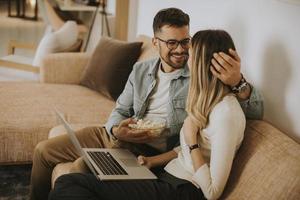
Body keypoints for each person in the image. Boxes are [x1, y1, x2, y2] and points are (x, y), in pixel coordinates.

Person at [30, 8, 263, 200]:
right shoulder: (142, 70)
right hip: (118, 134)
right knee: (43, 151)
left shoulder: (198, 80)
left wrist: (238, 82)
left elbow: (250, 110)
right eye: (172, 43)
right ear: (155, 42)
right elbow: (121, 109)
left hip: (145, 148)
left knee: (81, 167)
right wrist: (115, 129)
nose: (181, 50)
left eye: (185, 42)